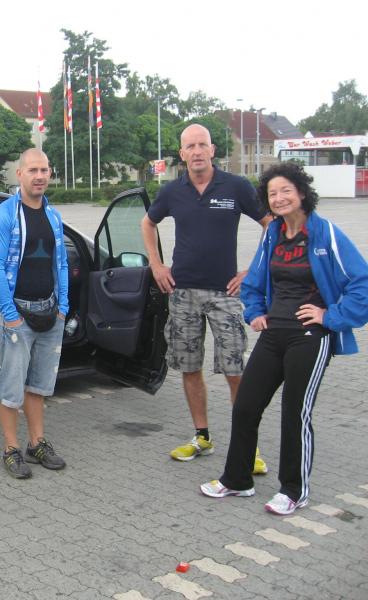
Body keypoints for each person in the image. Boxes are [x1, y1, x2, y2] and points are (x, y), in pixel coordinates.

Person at [201, 162, 368, 514]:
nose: (278, 198)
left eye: (285, 191)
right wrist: (255, 312)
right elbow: (253, 280)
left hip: (309, 336)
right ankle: (237, 480)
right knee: (246, 406)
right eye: (272, 193)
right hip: (273, 332)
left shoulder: (325, 234)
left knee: (295, 413)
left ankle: (293, 490)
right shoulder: (273, 234)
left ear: (302, 193)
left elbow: (361, 282)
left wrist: (330, 316)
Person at [141, 124, 272, 469]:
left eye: (202, 145)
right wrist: (156, 265)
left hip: (225, 293)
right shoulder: (172, 191)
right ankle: (202, 436)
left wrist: (254, 271)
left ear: (212, 150)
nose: (197, 151)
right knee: (189, 366)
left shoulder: (236, 186)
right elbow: (147, 223)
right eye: (190, 146)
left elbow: (270, 223)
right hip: (182, 292)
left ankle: (248, 447)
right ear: (182, 154)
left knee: (234, 368)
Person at [0, 148, 69, 479]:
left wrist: (63, 307)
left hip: (50, 312)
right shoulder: (3, 215)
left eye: (44, 170)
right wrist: (10, 315)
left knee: (38, 385)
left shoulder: (53, 216)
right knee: (11, 388)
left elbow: (61, 263)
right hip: (17, 314)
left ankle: (37, 443)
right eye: (33, 170)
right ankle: (11, 448)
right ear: (19, 174)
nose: (40, 176)